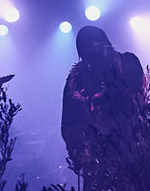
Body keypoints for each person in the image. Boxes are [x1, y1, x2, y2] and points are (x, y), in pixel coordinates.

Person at [61, 26, 145, 182]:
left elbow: (135, 93)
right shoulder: (76, 77)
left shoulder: (126, 62)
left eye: (97, 46)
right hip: (95, 158)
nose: (93, 52)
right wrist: (79, 150)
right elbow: (68, 121)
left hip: (128, 150)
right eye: (87, 51)